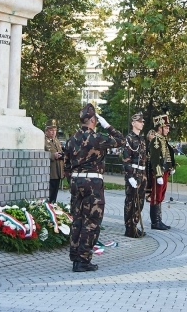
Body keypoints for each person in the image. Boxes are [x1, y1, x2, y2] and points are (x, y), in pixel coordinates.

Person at [64, 103, 125, 272]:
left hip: (76, 183)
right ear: (92, 119)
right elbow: (121, 140)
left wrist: (73, 181)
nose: (97, 122)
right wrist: (108, 126)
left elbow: (67, 165)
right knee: (91, 221)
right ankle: (83, 260)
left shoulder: (71, 139)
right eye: (96, 119)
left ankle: (76, 257)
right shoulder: (96, 138)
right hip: (93, 184)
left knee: (77, 220)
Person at [122, 112, 147, 238]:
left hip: (142, 173)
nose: (142, 123)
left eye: (142, 121)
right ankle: (129, 228)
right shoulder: (129, 139)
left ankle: (135, 224)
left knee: (140, 202)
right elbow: (126, 159)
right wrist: (130, 176)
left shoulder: (141, 140)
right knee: (131, 201)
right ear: (133, 123)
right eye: (140, 121)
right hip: (134, 174)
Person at [148, 114, 176, 230]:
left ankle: (159, 220)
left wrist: (171, 167)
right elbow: (155, 160)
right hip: (158, 173)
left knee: (161, 195)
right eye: (166, 128)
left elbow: (167, 156)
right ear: (160, 128)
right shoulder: (156, 140)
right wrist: (158, 174)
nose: (168, 130)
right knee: (155, 196)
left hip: (165, 171)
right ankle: (155, 222)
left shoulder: (163, 140)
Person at [44, 119, 64, 203]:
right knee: (49, 193)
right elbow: (41, 155)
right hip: (50, 172)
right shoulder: (43, 141)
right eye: (51, 130)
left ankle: (53, 206)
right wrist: (53, 156)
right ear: (46, 131)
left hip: (58, 172)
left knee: (54, 194)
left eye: (55, 130)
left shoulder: (56, 141)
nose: (53, 132)